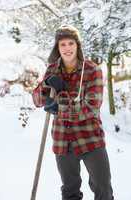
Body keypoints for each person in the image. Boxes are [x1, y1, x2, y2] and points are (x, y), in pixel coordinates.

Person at [32, 25, 114, 200]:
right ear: (57, 47)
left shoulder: (92, 70)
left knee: (103, 189)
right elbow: (38, 101)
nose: (67, 48)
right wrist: (45, 86)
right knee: (70, 192)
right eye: (63, 44)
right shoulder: (52, 70)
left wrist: (60, 104)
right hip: (63, 141)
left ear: (78, 46)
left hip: (90, 139)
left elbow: (91, 107)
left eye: (71, 43)